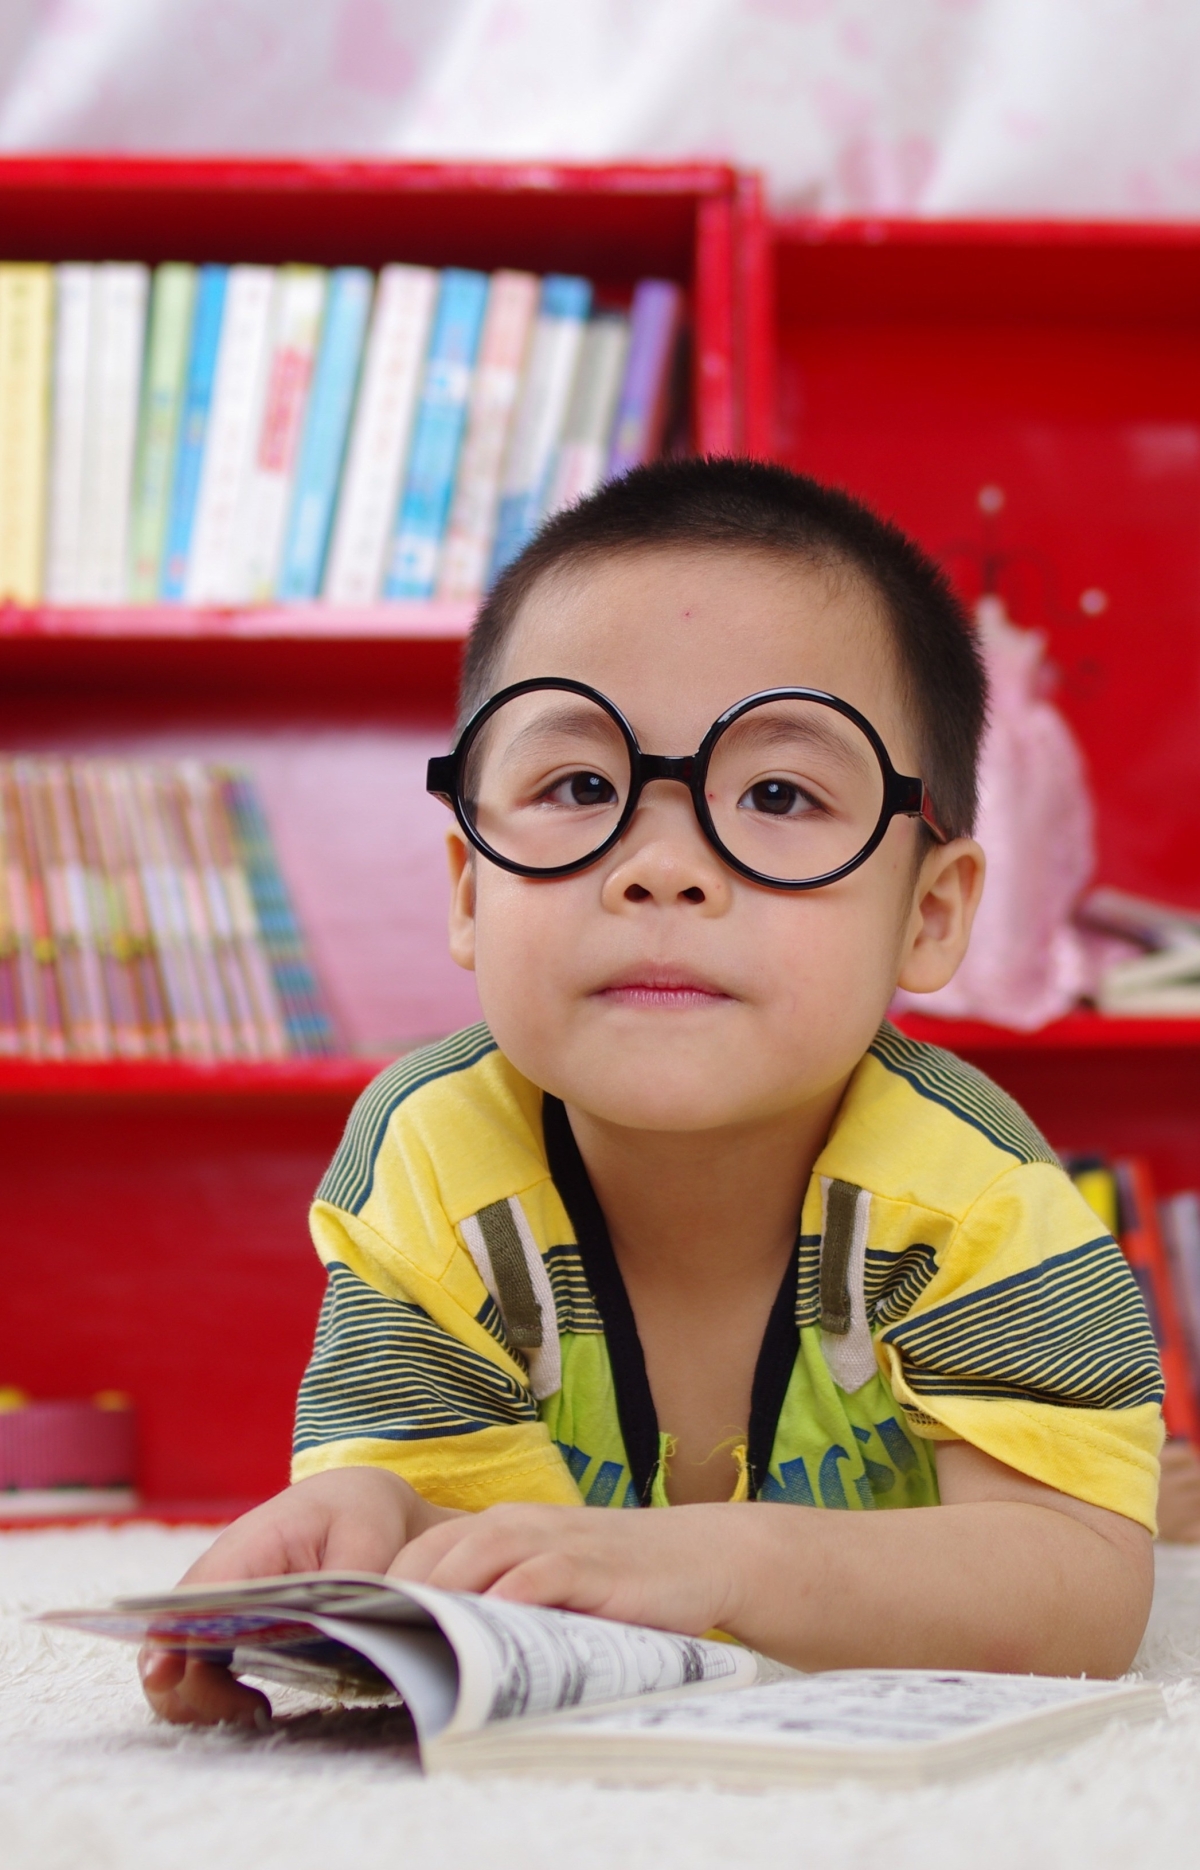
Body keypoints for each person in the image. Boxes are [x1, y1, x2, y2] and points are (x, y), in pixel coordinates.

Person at [143, 459, 1162, 1726]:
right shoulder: (431, 1159)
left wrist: (716, 1558)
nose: (664, 867)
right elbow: (475, 1540)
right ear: (469, 889)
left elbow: (1085, 1590)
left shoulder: (978, 1193)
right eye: (580, 788)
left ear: (931, 913)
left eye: (779, 794)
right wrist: (380, 1525)